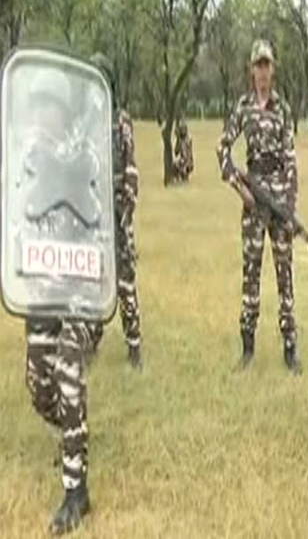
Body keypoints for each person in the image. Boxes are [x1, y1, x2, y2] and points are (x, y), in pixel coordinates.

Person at [18, 70, 101, 533]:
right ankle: (75, 434)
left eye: (51, 104)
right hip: (38, 297)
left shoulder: (79, 156)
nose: (43, 113)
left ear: (63, 111)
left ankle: (77, 491)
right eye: (38, 104)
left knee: (70, 370)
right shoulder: (21, 161)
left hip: (77, 298)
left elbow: (97, 220)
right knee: (40, 389)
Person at [216, 39, 301, 374]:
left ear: (273, 69)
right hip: (254, 199)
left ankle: (290, 348)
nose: (263, 72)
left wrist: (290, 207)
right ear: (251, 70)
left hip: (279, 200)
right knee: (251, 273)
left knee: (285, 275)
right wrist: (240, 187)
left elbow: (291, 158)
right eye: (258, 66)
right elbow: (222, 148)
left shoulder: (283, 108)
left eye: (267, 65)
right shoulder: (243, 106)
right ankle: (247, 347)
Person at [86, 53, 143, 369]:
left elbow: (132, 166)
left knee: (125, 280)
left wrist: (128, 204)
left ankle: (134, 344)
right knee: (93, 278)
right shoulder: (85, 122)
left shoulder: (121, 121)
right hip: (92, 211)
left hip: (119, 209)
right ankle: (91, 340)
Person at [173, 118, 194, 182]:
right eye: (181, 129)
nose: (182, 131)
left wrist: (179, 138)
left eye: (183, 129)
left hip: (188, 162)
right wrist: (177, 139)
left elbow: (187, 153)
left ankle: (185, 176)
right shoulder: (179, 140)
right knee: (174, 165)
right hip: (182, 160)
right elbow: (176, 152)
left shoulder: (188, 139)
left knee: (183, 169)